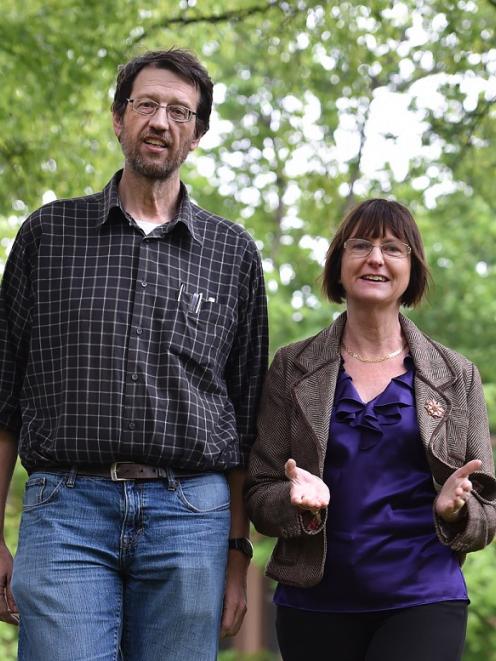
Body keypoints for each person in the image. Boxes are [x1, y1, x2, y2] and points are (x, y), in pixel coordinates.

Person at [0, 48, 268, 661]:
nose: (160, 121)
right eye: (146, 104)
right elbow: (3, 398)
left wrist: (236, 556)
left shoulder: (233, 255)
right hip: (65, 513)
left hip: (191, 517)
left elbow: (247, 420)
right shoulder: (48, 235)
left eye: (180, 111)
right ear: (118, 118)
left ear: (197, 134)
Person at [245, 198, 496, 661]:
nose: (375, 257)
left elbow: (486, 512)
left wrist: (453, 511)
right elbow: (260, 493)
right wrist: (294, 500)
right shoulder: (291, 368)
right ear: (339, 265)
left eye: (393, 248)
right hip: (314, 601)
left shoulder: (456, 375)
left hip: (424, 596)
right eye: (360, 245)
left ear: (412, 271)